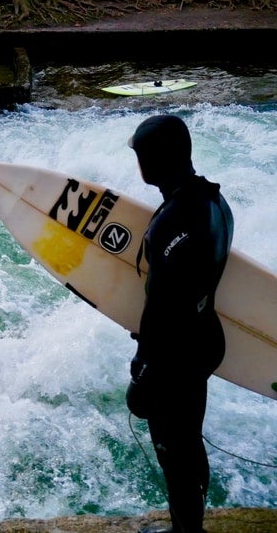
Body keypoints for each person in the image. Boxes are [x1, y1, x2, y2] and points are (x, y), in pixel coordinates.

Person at [125, 115, 234, 533]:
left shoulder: (176, 219)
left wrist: (143, 367)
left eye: (141, 155)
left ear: (155, 159)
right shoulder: (213, 201)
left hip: (176, 353)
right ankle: (190, 527)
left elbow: (166, 304)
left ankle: (185, 532)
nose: (138, 163)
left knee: (174, 448)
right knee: (189, 441)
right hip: (204, 336)